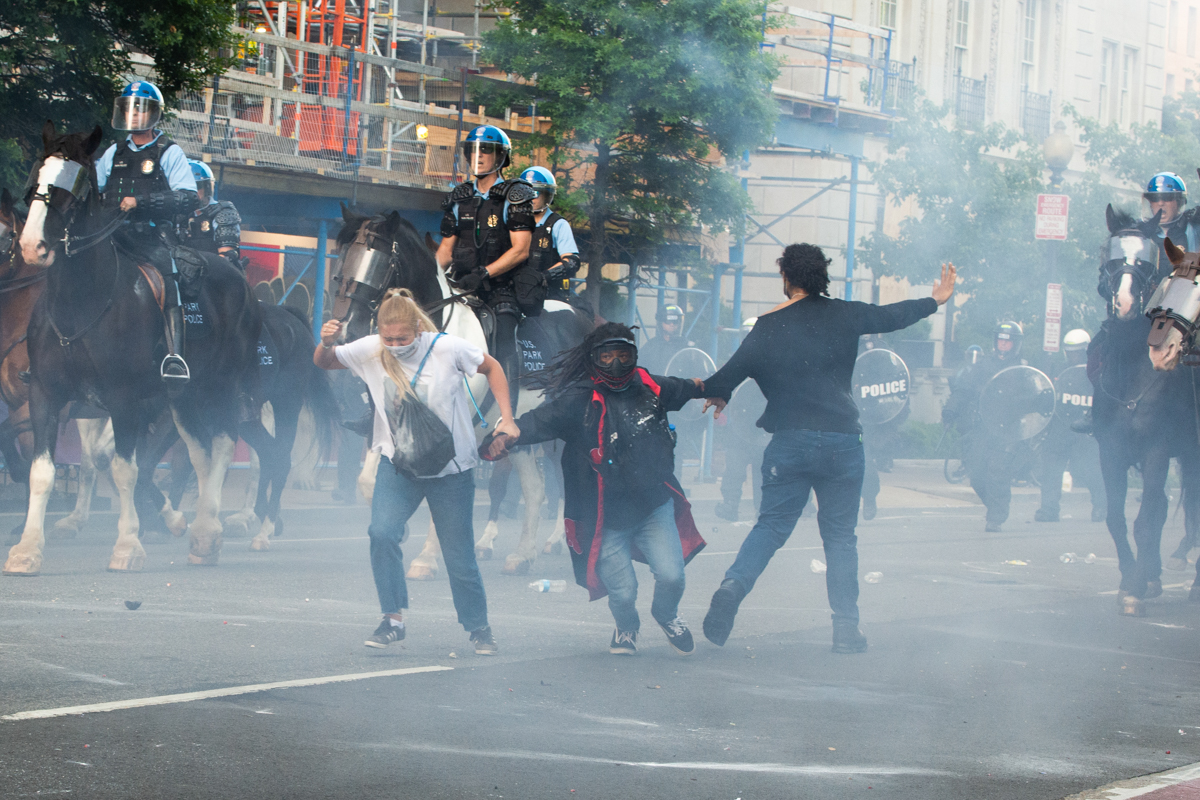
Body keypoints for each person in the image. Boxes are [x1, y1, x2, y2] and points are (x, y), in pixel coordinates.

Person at [699, 244, 956, 654]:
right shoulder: (845, 314)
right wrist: (935, 300)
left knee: (771, 526)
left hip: (790, 442)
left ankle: (733, 586)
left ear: (786, 276)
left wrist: (718, 392)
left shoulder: (768, 325)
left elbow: (727, 375)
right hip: (842, 442)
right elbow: (892, 315)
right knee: (839, 538)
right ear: (822, 275)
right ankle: (846, 629)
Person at [314, 288, 519, 654]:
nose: (395, 346)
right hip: (399, 467)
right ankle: (392, 619)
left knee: (459, 556)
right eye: (389, 339)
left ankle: (479, 627)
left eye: (403, 339)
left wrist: (507, 418)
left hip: (451, 470)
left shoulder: (447, 348)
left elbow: (492, 367)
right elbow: (326, 362)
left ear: (418, 330)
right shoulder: (370, 348)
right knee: (381, 533)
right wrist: (326, 342)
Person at [485, 323, 707, 655]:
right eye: (607, 357)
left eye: (623, 355)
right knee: (623, 592)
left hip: (652, 505)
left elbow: (687, 386)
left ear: (634, 356)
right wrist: (505, 436)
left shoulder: (650, 385)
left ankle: (666, 614)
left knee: (673, 576)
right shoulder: (578, 399)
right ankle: (626, 627)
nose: (616, 364)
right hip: (605, 516)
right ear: (593, 359)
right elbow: (537, 421)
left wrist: (712, 389)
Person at [96, 80, 198, 382]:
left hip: (151, 237)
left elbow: (188, 197)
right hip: (112, 235)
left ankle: (174, 356)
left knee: (169, 275)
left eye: (140, 109)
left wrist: (140, 202)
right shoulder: (113, 152)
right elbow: (95, 189)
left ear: (154, 114)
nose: (134, 115)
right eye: (129, 109)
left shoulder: (169, 151)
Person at [437, 125, 537, 406]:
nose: (477, 156)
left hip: (500, 289)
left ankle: (507, 413)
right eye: (473, 151)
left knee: (504, 335)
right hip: (461, 285)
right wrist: (433, 276)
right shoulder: (459, 197)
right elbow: (445, 250)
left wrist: (484, 273)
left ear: (501, 157)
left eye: (486, 151)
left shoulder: (516, 195)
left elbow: (521, 250)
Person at [941, 321, 1031, 532]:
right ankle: (994, 505)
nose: (1003, 345)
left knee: (998, 471)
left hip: (1008, 430)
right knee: (976, 474)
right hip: (983, 427)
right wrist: (950, 411)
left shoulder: (1023, 370)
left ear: (1016, 344)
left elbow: (1035, 397)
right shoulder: (982, 366)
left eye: (1008, 342)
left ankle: (996, 517)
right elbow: (963, 390)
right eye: (1000, 340)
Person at [1035, 328, 1106, 523]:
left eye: (1077, 352)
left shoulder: (1097, 372)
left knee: (1091, 470)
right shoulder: (1058, 370)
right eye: (1069, 352)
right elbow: (1048, 396)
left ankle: (1101, 506)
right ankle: (1049, 509)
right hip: (1061, 427)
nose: (1073, 356)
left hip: (1085, 429)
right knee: (1051, 469)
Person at [715, 317, 767, 522]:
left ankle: (762, 510)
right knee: (734, 470)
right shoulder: (732, 364)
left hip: (763, 427)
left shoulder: (772, 365)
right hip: (738, 427)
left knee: (763, 473)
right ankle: (730, 505)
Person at [519, 166, 584, 305]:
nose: (530, 198)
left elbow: (571, 262)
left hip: (549, 295)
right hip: (517, 291)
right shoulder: (514, 224)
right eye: (525, 192)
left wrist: (541, 278)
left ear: (547, 195)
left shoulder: (558, 224)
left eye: (535, 192)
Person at [182, 160, 243, 267]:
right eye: (188, 188)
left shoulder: (222, 213)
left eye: (197, 186)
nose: (192, 192)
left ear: (207, 187)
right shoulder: (180, 216)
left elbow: (226, 257)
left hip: (215, 271)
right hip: (185, 271)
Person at [1143, 172, 1199, 259]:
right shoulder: (1143, 232)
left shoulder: (1194, 229)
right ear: (1150, 204)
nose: (1160, 203)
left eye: (1167, 197)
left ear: (1179, 202)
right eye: (1155, 199)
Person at [638, 304, 689, 374]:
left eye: (675, 321)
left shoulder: (686, 346)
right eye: (668, 321)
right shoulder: (651, 346)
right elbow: (639, 368)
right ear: (661, 323)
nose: (672, 324)